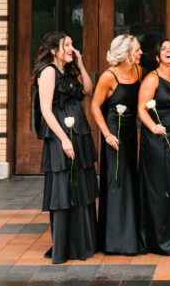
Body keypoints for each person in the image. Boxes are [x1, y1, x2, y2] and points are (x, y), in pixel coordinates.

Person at [33, 31, 98, 264]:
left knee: (80, 186)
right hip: (62, 135)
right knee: (63, 187)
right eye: (67, 45)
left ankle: (82, 242)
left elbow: (88, 90)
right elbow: (46, 110)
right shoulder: (48, 72)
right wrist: (63, 139)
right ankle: (66, 246)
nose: (72, 48)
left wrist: (80, 64)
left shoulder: (68, 72)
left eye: (72, 44)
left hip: (78, 132)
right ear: (54, 50)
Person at [92, 34, 142, 255]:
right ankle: (113, 240)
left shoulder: (138, 71)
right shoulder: (108, 77)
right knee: (116, 182)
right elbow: (95, 106)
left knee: (130, 181)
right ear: (126, 53)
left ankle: (130, 236)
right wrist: (106, 135)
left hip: (131, 134)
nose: (141, 53)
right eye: (137, 50)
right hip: (114, 135)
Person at [137, 39, 170, 255]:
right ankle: (159, 240)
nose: (168, 51)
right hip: (158, 137)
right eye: (163, 49)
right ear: (157, 57)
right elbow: (141, 109)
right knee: (160, 185)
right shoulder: (152, 78)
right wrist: (154, 126)